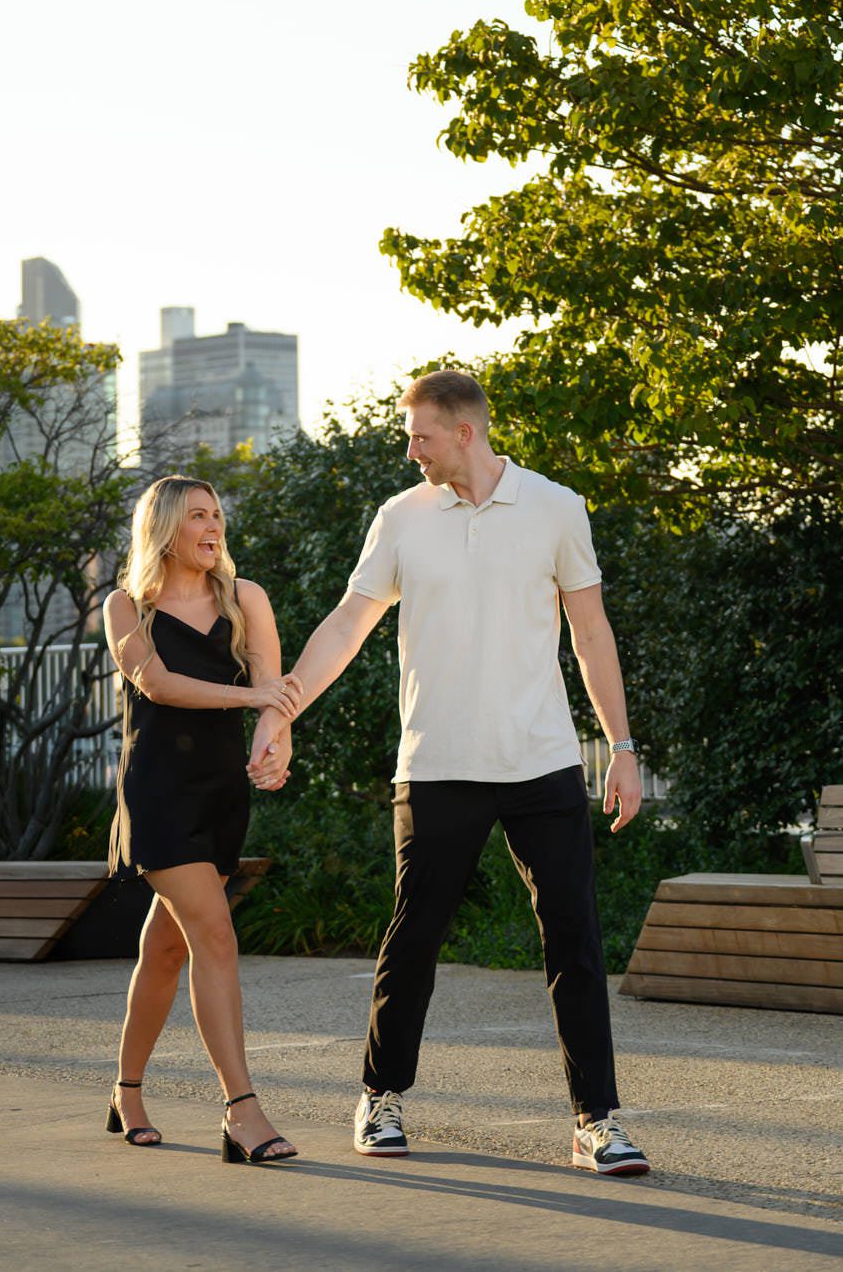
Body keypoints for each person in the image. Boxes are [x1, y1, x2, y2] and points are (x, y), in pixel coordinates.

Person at [249, 371, 650, 1177]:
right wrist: (281, 708)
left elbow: (591, 633)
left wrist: (622, 748)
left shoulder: (555, 508)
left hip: (538, 760)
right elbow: (347, 623)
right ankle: (381, 1096)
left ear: (464, 431)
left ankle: (595, 1120)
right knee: (416, 936)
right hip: (435, 765)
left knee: (574, 937)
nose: (411, 450)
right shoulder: (401, 517)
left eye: (420, 436)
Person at [103, 475, 299, 1164]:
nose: (213, 526)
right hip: (157, 793)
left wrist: (273, 742)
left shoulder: (245, 598)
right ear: (164, 529)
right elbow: (155, 683)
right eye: (197, 516)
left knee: (165, 950)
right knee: (214, 934)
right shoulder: (126, 606)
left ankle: (125, 1091)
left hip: (220, 796)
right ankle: (241, 1113)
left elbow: (275, 693)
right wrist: (250, 699)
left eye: (217, 514)